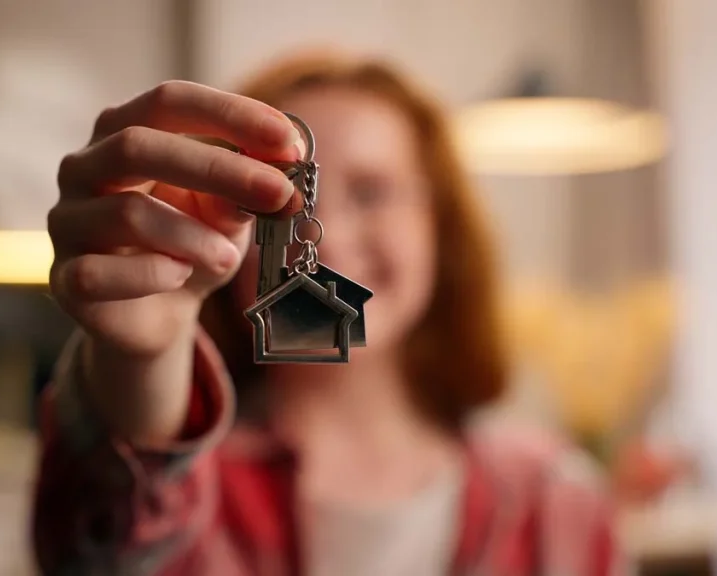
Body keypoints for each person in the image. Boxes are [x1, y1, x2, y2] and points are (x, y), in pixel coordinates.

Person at [33, 50, 626, 575]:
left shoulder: (554, 499)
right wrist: (142, 359)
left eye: (371, 191)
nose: (332, 242)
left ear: (440, 229)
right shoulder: (194, 496)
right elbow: (104, 546)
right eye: (274, 204)